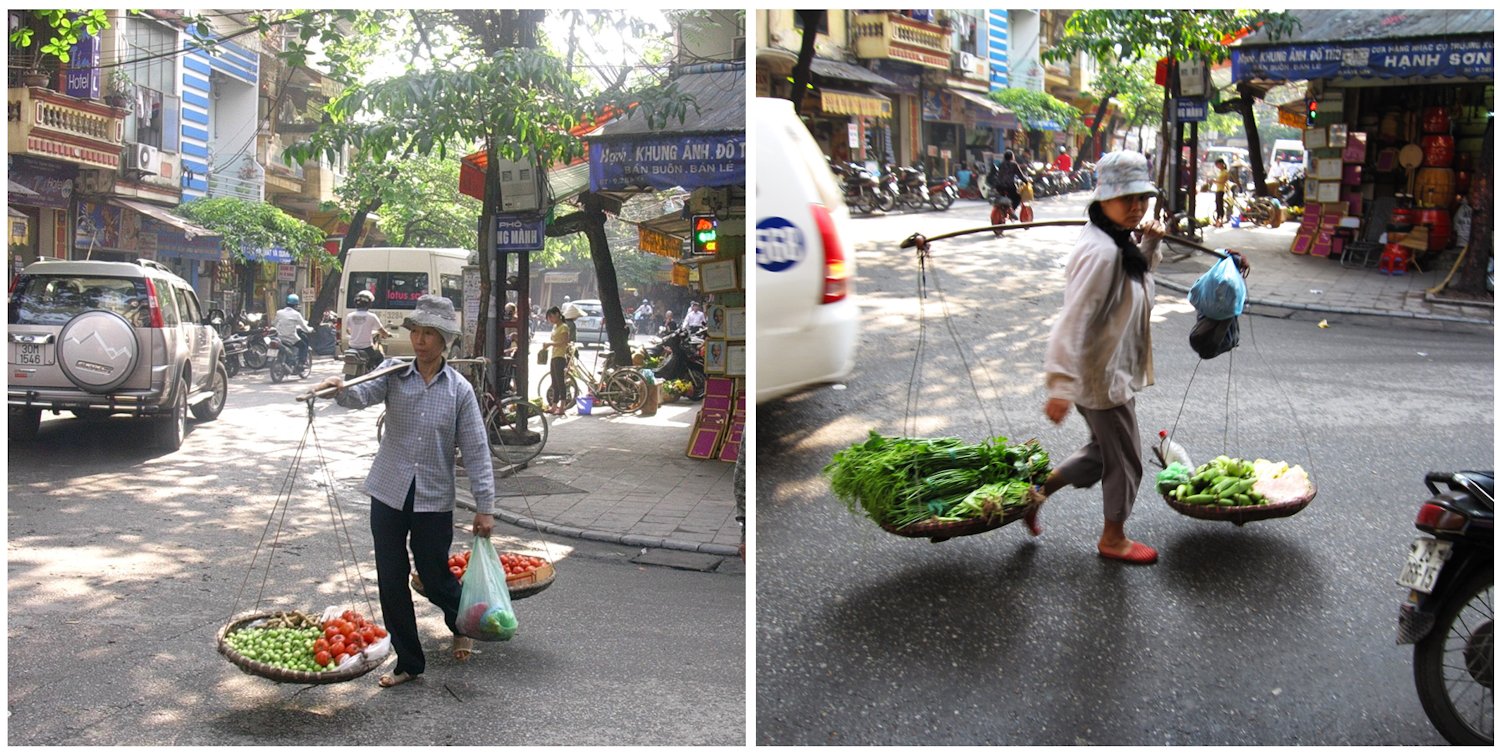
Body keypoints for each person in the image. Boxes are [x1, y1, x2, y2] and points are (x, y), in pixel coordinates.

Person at [313, 294, 496, 688]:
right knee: (391, 576)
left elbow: (478, 451)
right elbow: (360, 395)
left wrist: (486, 507)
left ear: (444, 340)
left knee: (433, 573)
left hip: (433, 497)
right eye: (417, 332)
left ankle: (463, 619)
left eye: (430, 334)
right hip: (390, 489)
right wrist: (338, 389)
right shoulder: (394, 372)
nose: (421, 341)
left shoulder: (459, 391)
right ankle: (409, 661)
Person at [1029, 150, 1166, 566]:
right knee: (1126, 462)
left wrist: (1151, 242)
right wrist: (1060, 386)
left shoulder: (1114, 240)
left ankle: (1033, 494)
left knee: (1104, 453)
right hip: (1100, 378)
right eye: (1127, 198)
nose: (1136, 206)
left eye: (1141, 197)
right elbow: (1074, 320)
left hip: (1108, 372)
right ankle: (1113, 537)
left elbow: (1136, 278)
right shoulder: (1102, 250)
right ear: (1102, 199)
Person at [343, 289, 391, 372]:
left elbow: (348, 331)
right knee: (380, 357)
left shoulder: (349, 316)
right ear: (369, 304)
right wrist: (387, 334)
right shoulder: (372, 316)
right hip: (366, 348)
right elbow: (382, 331)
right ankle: (377, 377)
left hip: (352, 347)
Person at [544, 306, 572, 415]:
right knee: (554, 383)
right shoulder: (555, 327)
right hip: (554, 356)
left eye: (551, 317)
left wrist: (550, 344)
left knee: (560, 383)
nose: (550, 319)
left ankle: (562, 407)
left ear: (557, 314)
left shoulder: (564, 327)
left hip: (560, 357)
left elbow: (564, 342)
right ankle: (554, 405)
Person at [273, 294, 313, 369]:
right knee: (303, 345)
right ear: (296, 305)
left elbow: (274, 323)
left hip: (280, 337)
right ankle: (301, 363)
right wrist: (311, 329)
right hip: (291, 338)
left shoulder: (279, 312)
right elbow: (304, 327)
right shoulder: (296, 314)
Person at [1210, 158, 1232, 228]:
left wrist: (1214, 181)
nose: (1217, 166)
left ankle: (1221, 221)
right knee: (1218, 205)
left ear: (1222, 164)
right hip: (1218, 189)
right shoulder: (1221, 172)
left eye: (1218, 164)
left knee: (1220, 205)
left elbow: (1223, 182)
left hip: (1221, 190)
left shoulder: (1225, 172)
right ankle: (1217, 221)